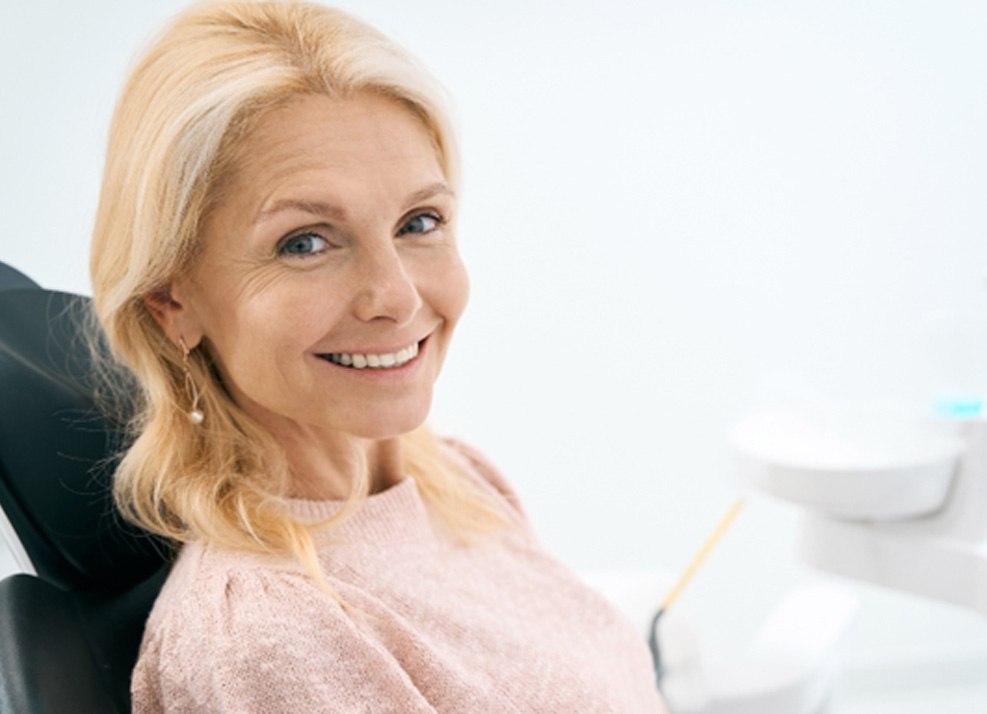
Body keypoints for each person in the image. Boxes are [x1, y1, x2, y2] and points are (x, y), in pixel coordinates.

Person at [89, 2, 667, 711]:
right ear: (170, 299)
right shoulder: (269, 635)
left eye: (418, 222)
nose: (394, 296)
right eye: (305, 242)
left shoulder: (456, 481)